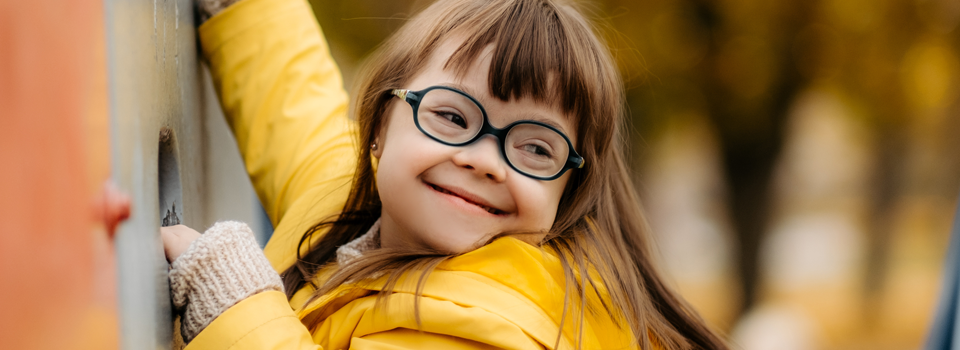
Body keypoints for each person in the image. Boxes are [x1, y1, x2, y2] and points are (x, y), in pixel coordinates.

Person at [161, 0, 729, 348]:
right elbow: (295, 109)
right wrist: (247, 9)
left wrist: (234, 302)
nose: (483, 159)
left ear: (568, 192)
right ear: (381, 124)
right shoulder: (350, 209)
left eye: (535, 149)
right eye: (452, 117)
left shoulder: (497, 319)